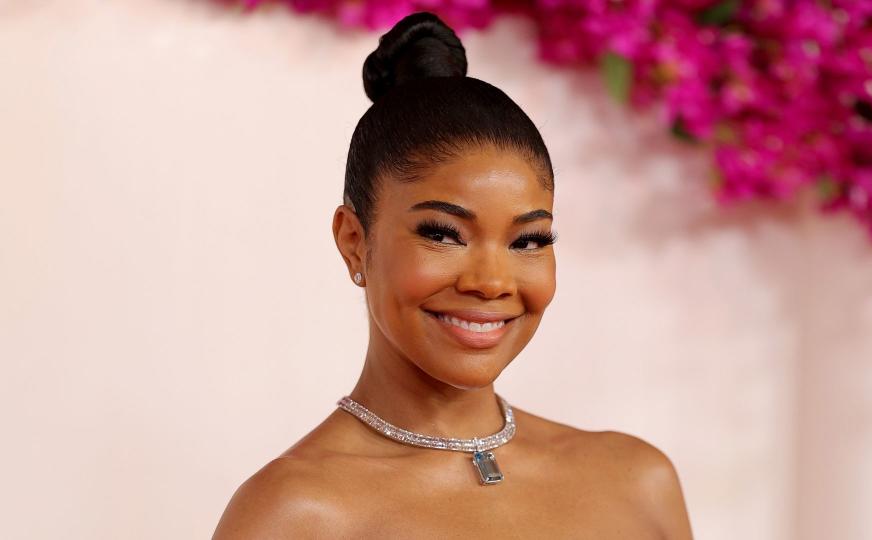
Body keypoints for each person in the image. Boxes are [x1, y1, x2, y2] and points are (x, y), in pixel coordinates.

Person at [213, 11, 693, 539]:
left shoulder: (638, 481)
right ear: (355, 241)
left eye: (527, 240)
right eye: (443, 234)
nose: (492, 282)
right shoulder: (292, 517)